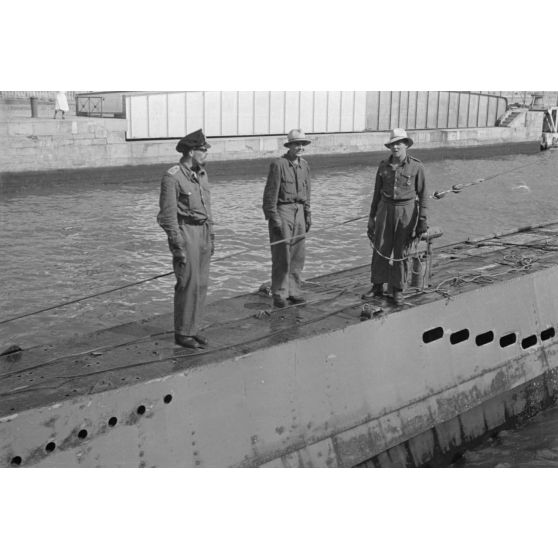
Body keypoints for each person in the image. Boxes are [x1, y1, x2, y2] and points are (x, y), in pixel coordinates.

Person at [157, 129, 215, 349]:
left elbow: (207, 207)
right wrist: (177, 245)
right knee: (187, 284)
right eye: (203, 150)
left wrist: (212, 236)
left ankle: (194, 329)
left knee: (201, 284)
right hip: (186, 232)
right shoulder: (172, 177)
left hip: (203, 232)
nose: (206, 154)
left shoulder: (201, 174)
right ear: (192, 151)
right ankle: (182, 333)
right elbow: (167, 216)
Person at [364, 128, 428, 305]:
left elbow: (423, 195)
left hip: (406, 211)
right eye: (393, 144)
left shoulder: (417, 166)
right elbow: (377, 193)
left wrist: (422, 219)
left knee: (402, 251)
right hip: (385, 209)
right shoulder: (383, 166)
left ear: (406, 144)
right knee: (381, 247)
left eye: (399, 143)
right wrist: (371, 217)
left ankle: (398, 289)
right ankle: (377, 285)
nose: (395, 147)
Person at [262, 129, 312, 308]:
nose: (299, 147)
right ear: (289, 146)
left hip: (299, 211)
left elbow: (307, 192)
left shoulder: (305, 165)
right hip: (283, 211)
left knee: (298, 255)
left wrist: (307, 214)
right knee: (282, 255)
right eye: (296, 144)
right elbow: (270, 194)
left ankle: (294, 290)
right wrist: (273, 217)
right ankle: (280, 293)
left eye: (302, 144)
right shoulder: (278, 164)